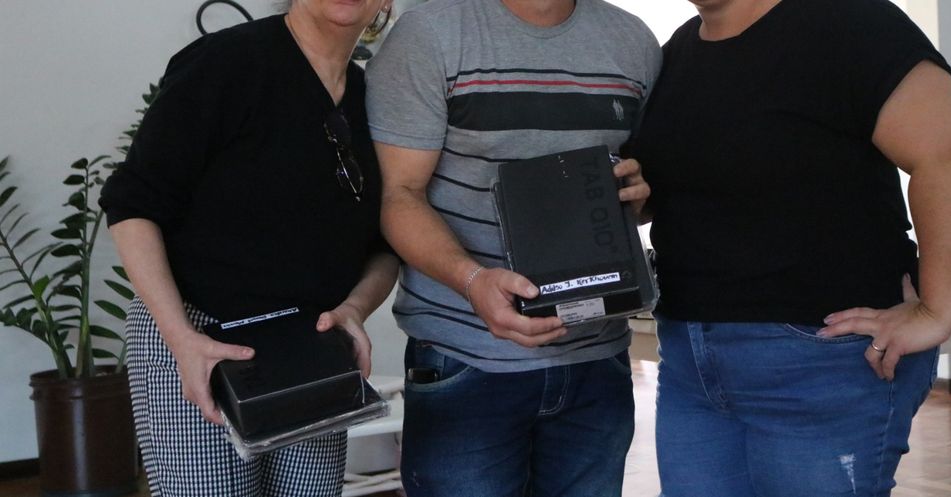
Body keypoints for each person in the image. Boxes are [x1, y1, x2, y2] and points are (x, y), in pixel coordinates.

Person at [628, 0, 951, 495]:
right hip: (691, 363)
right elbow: (674, 187)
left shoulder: (847, 20)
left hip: (822, 361)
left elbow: (947, 154)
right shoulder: (678, 52)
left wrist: (938, 312)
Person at [98, 0, 398, 495]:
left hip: (311, 351)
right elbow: (132, 206)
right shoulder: (226, 62)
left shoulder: (374, 97)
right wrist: (180, 338)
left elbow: (385, 245)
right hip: (199, 339)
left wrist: (354, 310)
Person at [364, 0, 661, 495]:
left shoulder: (633, 41)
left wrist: (638, 194)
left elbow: (638, 189)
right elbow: (398, 196)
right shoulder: (430, 34)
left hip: (597, 359)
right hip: (466, 359)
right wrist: (472, 281)